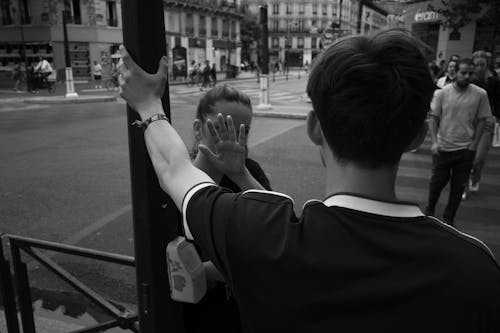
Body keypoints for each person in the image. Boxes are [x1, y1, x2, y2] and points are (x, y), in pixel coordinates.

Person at [117, 29, 500, 332]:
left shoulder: (261, 236)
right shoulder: (475, 270)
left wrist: (149, 104)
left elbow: (174, 169)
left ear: (315, 127)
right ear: (418, 136)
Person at [184, 84, 271, 332]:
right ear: (198, 129)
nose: (232, 138)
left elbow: (276, 231)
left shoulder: (249, 172)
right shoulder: (179, 178)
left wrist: (241, 174)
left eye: (243, 130)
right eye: (223, 126)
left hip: (240, 311)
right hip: (187, 314)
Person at [425, 58, 493, 225]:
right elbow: (433, 118)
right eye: (463, 73)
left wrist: (474, 145)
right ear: (455, 73)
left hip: (465, 150)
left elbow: (483, 120)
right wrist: (434, 142)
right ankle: (429, 212)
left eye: (470, 73)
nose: (467, 76)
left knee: (458, 188)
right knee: (436, 184)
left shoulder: (480, 94)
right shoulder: (442, 93)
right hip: (443, 147)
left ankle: (449, 219)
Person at [462, 51, 500, 199]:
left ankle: (475, 177)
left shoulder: (494, 82)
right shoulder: (467, 81)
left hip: (487, 123)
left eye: (482, 65)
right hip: (468, 122)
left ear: (486, 65)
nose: (479, 68)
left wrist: (496, 117)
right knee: (466, 157)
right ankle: (462, 186)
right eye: (476, 65)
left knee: (478, 159)